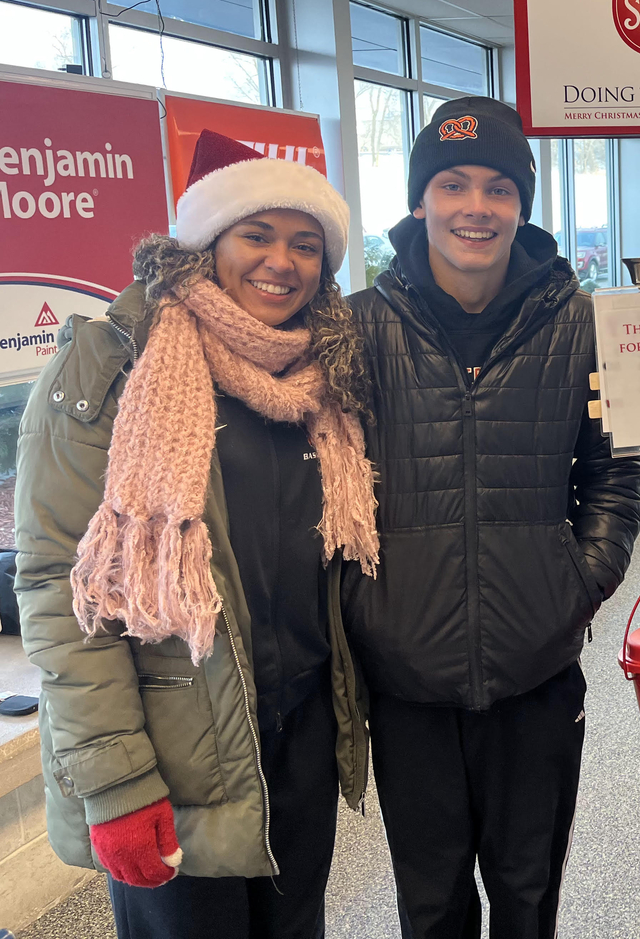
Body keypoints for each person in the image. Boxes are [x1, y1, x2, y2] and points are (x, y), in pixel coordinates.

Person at [14, 129, 378, 938]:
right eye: (257, 234)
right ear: (206, 241)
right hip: (178, 753)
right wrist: (116, 782)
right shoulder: (112, 367)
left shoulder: (323, 376)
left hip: (300, 736)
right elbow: (59, 589)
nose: (282, 262)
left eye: (306, 244)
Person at [345, 97, 640, 939]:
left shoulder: (581, 326)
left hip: (535, 669)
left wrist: (578, 583)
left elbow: (613, 471)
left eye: (498, 188)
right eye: (452, 184)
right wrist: (366, 608)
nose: (475, 207)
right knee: (431, 904)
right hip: (405, 675)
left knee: (527, 893)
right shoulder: (357, 329)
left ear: (522, 205)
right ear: (420, 200)